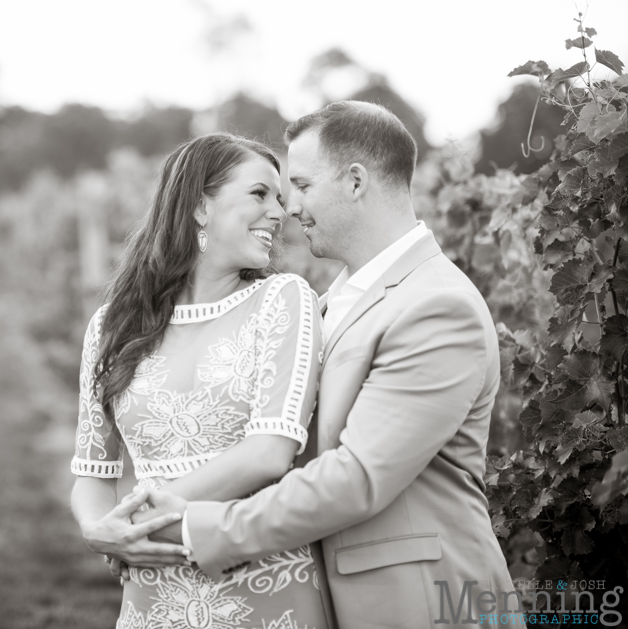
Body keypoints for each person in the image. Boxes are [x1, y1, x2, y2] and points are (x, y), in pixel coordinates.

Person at [134, 101, 517, 629]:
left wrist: (192, 526)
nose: (289, 206)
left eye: (303, 184)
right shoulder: (331, 299)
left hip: (420, 604)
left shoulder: (436, 305)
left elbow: (356, 477)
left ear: (356, 182)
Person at [70, 133, 332, 629]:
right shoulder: (110, 327)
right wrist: (97, 529)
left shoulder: (283, 300)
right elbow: (91, 474)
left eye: (279, 198)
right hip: (152, 594)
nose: (279, 213)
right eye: (259, 194)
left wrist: (139, 523)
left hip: (263, 589)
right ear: (198, 206)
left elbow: (269, 453)